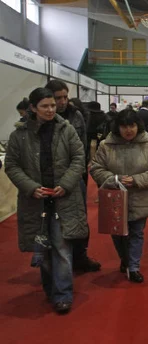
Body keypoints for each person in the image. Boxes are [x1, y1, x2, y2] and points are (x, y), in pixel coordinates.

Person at [4, 87, 88, 314]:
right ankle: (50, 288)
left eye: (53, 105)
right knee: (42, 247)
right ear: (33, 108)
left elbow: (79, 158)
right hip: (35, 201)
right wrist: (31, 187)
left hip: (63, 198)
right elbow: (11, 165)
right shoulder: (19, 135)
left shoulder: (66, 129)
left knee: (61, 247)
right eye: (45, 106)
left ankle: (63, 295)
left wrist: (67, 183)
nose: (51, 109)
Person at [90, 109, 148, 283]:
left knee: (137, 232)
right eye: (124, 126)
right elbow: (96, 169)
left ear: (137, 125)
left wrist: (137, 180)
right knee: (117, 233)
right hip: (114, 198)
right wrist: (114, 179)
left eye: (131, 125)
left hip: (141, 197)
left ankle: (134, 267)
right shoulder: (106, 145)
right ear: (118, 127)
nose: (128, 130)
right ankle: (125, 259)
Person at [45, 80, 100, 272]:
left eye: (64, 97)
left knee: (79, 219)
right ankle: (52, 262)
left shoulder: (76, 115)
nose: (62, 101)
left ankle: (80, 256)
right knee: (48, 221)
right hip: (48, 178)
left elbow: (82, 149)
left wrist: (80, 175)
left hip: (75, 176)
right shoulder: (40, 118)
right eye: (57, 97)